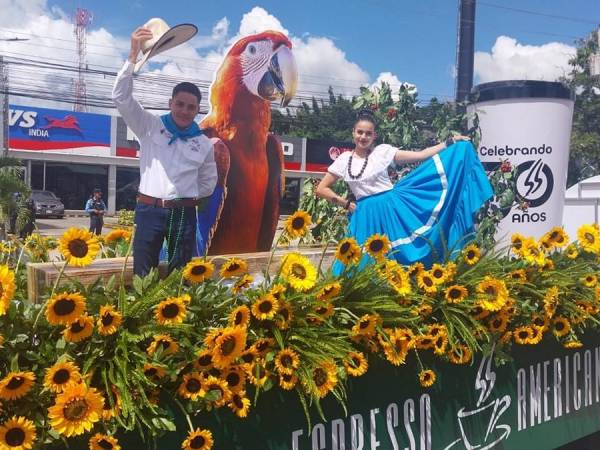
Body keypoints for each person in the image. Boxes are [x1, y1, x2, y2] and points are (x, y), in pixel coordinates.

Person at [316, 110, 493, 271]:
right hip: (364, 214)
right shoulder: (344, 159)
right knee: (359, 263)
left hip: (391, 211)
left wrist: (450, 142)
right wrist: (346, 203)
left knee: (399, 257)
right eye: (360, 132)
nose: (363, 137)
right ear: (353, 133)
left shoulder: (382, 152)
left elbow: (422, 155)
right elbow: (321, 189)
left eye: (368, 133)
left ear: (374, 136)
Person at [112, 26, 217, 276]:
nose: (184, 110)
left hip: (183, 212)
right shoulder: (149, 126)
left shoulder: (203, 143)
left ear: (197, 110)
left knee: (182, 274)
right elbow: (120, 98)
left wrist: (185, 196)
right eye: (179, 104)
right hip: (149, 210)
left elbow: (208, 183)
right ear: (170, 104)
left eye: (191, 107)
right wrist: (133, 57)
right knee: (142, 274)